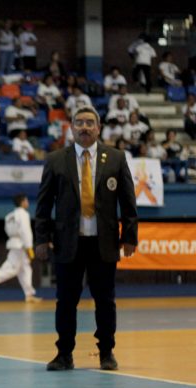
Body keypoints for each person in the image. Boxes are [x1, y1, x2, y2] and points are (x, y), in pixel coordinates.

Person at [34, 106, 138, 372]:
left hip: (103, 242)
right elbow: (43, 205)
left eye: (90, 123)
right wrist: (41, 239)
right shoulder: (56, 160)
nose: (84, 127)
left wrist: (129, 236)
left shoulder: (115, 158)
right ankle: (64, 354)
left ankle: (107, 352)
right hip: (68, 242)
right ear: (71, 128)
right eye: (79, 122)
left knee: (105, 301)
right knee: (65, 302)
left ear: (98, 128)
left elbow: (128, 201)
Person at [0, 194, 41, 302]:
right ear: (22, 202)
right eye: (26, 200)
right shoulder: (23, 214)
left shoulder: (9, 216)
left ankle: (29, 294)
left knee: (25, 269)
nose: (27, 203)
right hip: (21, 245)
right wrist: (29, 247)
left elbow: (7, 230)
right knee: (12, 269)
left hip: (14, 242)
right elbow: (25, 231)